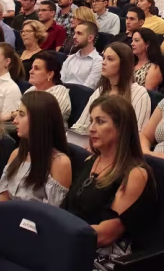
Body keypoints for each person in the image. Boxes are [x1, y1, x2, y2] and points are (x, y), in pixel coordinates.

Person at [0, 91, 72, 260]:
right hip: (4, 220)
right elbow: (2, 197)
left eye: (21, 115)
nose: (15, 120)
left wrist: (2, 212)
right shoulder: (17, 154)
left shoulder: (60, 163)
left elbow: (49, 218)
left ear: (39, 120)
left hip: (29, 230)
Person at [62, 96, 157, 264]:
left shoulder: (135, 174)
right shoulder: (90, 160)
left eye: (100, 122)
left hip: (104, 257)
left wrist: (58, 234)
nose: (91, 129)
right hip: (72, 241)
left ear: (121, 128)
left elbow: (107, 234)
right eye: (91, 121)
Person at [72, 42, 152, 133]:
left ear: (123, 64)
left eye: (110, 59)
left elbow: (138, 133)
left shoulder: (139, 93)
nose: (103, 63)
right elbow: (81, 125)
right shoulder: (100, 91)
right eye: (104, 58)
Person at [60, 21, 103, 88]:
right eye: (75, 33)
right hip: (63, 92)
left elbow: (88, 88)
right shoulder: (70, 58)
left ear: (90, 38)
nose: (74, 37)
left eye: (79, 33)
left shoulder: (98, 61)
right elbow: (61, 82)